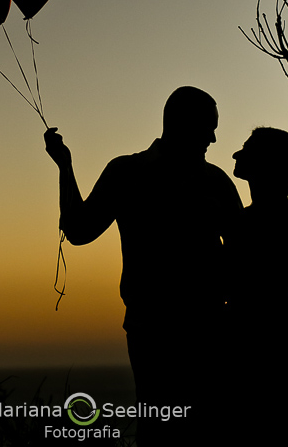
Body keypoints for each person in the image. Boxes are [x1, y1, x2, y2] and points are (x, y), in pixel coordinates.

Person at [45, 86, 243, 440]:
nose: (214, 137)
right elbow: (78, 229)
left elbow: (244, 256)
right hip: (155, 331)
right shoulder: (130, 172)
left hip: (208, 329)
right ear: (181, 124)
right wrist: (65, 166)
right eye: (207, 127)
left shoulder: (215, 181)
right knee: (163, 428)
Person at [226, 127, 288, 432]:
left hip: (262, 351)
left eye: (246, 150)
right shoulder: (282, 216)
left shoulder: (262, 220)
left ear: (266, 163)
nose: (236, 154)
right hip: (276, 344)